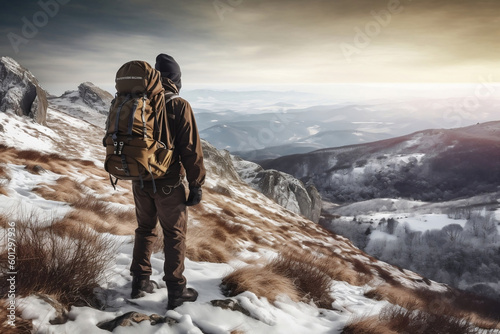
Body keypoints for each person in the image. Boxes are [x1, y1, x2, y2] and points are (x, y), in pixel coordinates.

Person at [129, 53, 206, 309]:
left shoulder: (137, 101)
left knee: (145, 229)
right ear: (175, 80)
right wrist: (196, 184)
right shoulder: (179, 105)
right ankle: (176, 291)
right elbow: (191, 150)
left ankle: (140, 282)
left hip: (139, 179)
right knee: (174, 234)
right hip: (168, 182)